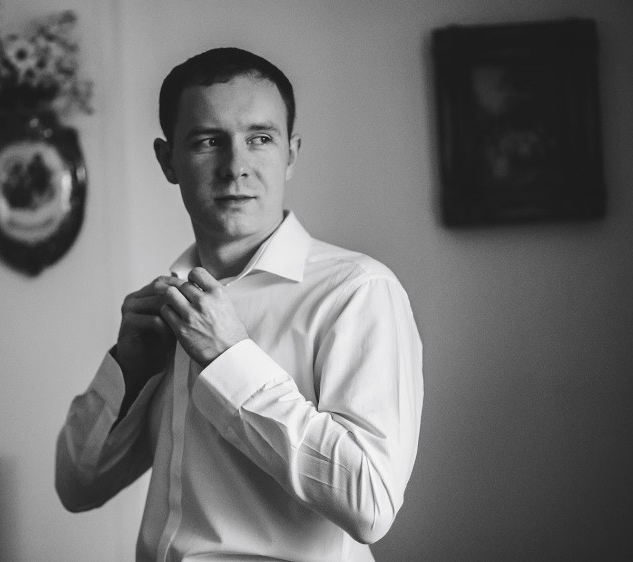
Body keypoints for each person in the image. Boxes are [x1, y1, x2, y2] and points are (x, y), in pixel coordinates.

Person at [56, 47, 423, 561]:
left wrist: (230, 360)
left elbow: (372, 504)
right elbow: (78, 488)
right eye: (208, 141)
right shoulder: (169, 308)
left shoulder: (357, 292)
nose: (236, 168)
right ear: (167, 161)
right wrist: (129, 369)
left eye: (260, 138)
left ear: (291, 153)